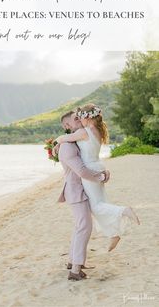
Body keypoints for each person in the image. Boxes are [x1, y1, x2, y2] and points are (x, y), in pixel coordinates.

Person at [56, 104, 140, 254]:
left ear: (87, 118)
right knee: (101, 202)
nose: (78, 120)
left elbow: (64, 137)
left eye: (79, 117)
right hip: (98, 165)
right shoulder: (97, 131)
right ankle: (114, 234)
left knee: (96, 207)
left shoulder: (84, 132)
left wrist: (57, 142)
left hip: (90, 170)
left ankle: (124, 211)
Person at [57, 110, 110, 281]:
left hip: (81, 190)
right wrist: (100, 177)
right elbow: (81, 171)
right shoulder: (67, 146)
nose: (78, 119)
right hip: (75, 191)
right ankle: (75, 271)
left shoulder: (75, 141)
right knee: (84, 227)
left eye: (79, 116)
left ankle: (73, 262)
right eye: (75, 119)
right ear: (67, 126)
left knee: (81, 227)